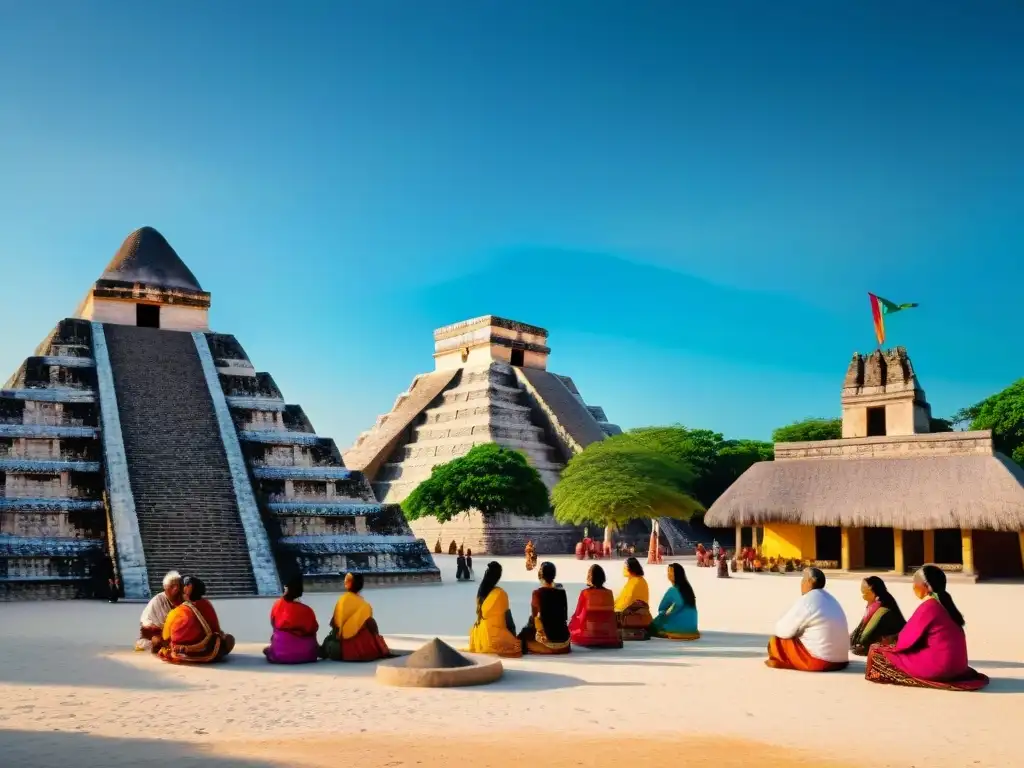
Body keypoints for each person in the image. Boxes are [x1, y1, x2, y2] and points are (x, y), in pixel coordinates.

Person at [865, 565, 989, 691]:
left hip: (941, 668)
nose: (913, 586)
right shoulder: (946, 604)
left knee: (876, 651)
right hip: (959, 666)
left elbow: (905, 641)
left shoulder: (929, 606)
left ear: (925, 586)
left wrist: (888, 643)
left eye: (915, 583)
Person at [766, 567, 848, 672]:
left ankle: (781, 661)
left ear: (810, 581)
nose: (801, 583)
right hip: (841, 661)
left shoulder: (809, 599)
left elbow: (783, 631)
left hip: (821, 661)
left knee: (776, 641)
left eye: (803, 579)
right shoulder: (831, 599)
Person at [158, 576, 235, 664]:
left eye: (186, 585)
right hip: (211, 647)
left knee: (164, 646)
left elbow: (166, 636)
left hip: (181, 651)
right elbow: (215, 628)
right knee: (229, 638)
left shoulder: (178, 611)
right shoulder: (207, 604)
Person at [320, 573, 391, 662]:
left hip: (342, 652)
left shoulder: (342, 600)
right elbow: (373, 627)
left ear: (348, 584)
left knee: (330, 640)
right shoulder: (365, 605)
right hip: (368, 652)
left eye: (346, 580)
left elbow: (334, 624)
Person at [467, 561, 522, 657]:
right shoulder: (500, 594)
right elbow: (508, 619)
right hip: (495, 638)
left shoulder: (480, 593)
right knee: (519, 645)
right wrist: (513, 637)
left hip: (479, 638)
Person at [264, 574, 320, 664]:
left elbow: (273, 623)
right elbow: (314, 628)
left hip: (280, 654)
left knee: (268, 649)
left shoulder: (278, 605)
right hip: (307, 655)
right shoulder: (307, 610)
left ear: (286, 589)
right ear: (300, 592)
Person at [517, 562, 571, 655]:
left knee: (521, 642)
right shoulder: (562, 592)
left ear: (540, 576)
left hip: (549, 645)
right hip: (565, 645)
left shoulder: (537, 593)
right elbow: (564, 616)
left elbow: (534, 620)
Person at [568, 564, 622, 648]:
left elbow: (579, 615)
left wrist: (572, 624)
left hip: (589, 634)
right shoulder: (609, 593)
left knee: (571, 627)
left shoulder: (585, 593)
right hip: (607, 634)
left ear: (590, 578)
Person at [849, 576, 906, 656]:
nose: (863, 596)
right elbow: (863, 626)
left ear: (873, 590)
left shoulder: (880, 607)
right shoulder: (884, 598)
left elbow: (866, 634)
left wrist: (856, 643)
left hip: (892, 640)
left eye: (864, 593)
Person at [650, 563, 700, 640]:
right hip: (692, 627)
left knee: (654, 624)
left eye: (670, 572)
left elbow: (662, 608)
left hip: (679, 627)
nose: (669, 574)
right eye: (668, 572)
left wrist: (667, 614)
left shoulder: (672, 590)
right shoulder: (688, 589)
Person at [136, 570, 183, 652]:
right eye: (172, 586)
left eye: (178, 585)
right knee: (157, 642)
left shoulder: (183, 598)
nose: (176, 589)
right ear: (165, 587)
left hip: (177, 633)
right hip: (156, 633)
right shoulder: (158, 600)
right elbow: (150, 626)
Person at [615, 557, 652, 641]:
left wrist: (613, 609)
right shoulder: (634, 580)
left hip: (631, 615)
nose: (623, 569)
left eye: (625, 567)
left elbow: (627, 602)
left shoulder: (635, 582)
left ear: (630, 568)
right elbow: (622, 598)